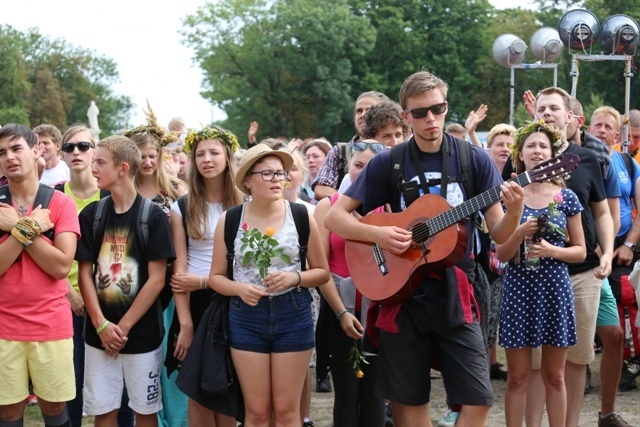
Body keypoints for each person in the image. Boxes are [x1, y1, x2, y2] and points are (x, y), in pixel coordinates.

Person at [325, 71, 525, 427]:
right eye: (420, 113)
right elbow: (336, 219)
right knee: (407, 400)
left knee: (477, 398)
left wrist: (516, 211)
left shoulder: (472, 160)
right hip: (403, 292)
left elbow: (498, 232)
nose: (430, 119)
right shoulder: (390, 162)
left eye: (437, 109)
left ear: (447, 107)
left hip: (458, 287)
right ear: (405, 116)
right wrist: (380, 237)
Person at [508, 87, 616, 427]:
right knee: (527, 371)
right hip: (524, 280)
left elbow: (600, 215)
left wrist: (608, 252)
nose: (548, 113)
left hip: (572, 277)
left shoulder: (584, 164)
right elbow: (500, 243)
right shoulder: (516, 183)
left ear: (570, 115)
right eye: (542, 108)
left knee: (569, 363)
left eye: (555, 108)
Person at [209, 144, 330, 426]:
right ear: (248, 181)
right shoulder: (231, 219)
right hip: (246, 316)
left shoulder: (301, 215)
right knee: (258, 412)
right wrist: (239, 288)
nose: (278, 179)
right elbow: (216, 278)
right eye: (268, 173)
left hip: (294, 313)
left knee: (287, 412)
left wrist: (295, 277)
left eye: (280, 173)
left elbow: (322, 272)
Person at [76, 135, 175, 427]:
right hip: (98, 334)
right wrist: (102, 325)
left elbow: (157, 280)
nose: (93, 168)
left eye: (100, 162)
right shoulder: (92, 214)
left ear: (122, 168)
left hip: (141, 334)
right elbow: (85, 272)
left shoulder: (153, 217)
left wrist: (123, 328)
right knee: (103, 409)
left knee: (145, 410)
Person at [497, 120, 586, 427]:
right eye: (531, 145)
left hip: (554, 289)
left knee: (554, 375)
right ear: (519, 153)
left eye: (543, 146)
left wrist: (553, 251)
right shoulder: (509, 195)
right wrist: (519, 231)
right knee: (518, 377)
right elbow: (500, 254)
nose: (537, 150)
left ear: (552, 154)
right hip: (518, 288)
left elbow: (581, 251)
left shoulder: (566, 197)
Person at [0, 123, 79, 427]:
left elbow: (60, 266)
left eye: (16, 148)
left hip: (50, 322)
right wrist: (29, 227)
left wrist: (17, 228)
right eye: (2, 152)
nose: (9, 157)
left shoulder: (60, 203)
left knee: (54, 406)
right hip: (4, 322)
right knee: (7, 411)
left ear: (35, 150)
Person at [167, 127, 243, 427]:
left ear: (227, 156)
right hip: (196, 304)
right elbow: (179, 271)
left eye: (214, 152)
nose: (207, 160)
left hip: (232, 298)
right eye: (200, 154)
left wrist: (204, 281)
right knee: (198, 391)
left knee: (226, 385)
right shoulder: (182, 207)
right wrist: (185, 323)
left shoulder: (245, 203)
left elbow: (242, 264)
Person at [123, 106, 188, 426]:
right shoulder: (122, 194)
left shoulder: (176, 192)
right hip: (133, 286)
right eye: (142, 156)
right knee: (142, 362)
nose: (147, 162)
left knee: (171, 357)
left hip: (172, 287)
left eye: (152, 155)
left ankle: (176, 420)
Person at [314, 141, 386, 427]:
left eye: (371, 167)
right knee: (346, 393)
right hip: (338, 309)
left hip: (378, 312)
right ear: (347, 168)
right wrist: (342, 313)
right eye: (358, 165)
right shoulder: (327, 207)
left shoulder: (388, 207)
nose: (363, 172)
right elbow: (320, 266)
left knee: (375, 394)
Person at [588, 106, 637, 427]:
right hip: (586, 252)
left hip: (620, 250)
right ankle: (579, 378)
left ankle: (618, 383)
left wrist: (627, 246)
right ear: (587, 127)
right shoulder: (577, 160)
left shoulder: (627, 163)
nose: (603, 130)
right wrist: (598, 249)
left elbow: (636, 211)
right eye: (598, 125)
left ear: (618, 134)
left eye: (609, 126)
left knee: (616, 328)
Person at [312, 91, 390, 200]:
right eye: (359, 111)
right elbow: (320, 189)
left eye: (369, 110)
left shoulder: (393, 150)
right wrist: (351, 204)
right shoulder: (340, 152)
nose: (363, 115)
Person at [302, 139, 332, 203]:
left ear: (328, 158)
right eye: (307, 157)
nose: (310, 160)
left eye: (315, 156)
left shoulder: (337, 186)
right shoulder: (298, 185)